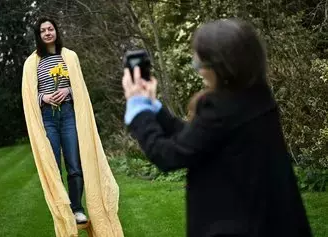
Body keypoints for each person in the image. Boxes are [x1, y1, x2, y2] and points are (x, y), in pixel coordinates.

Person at [122, 18, 312, 237]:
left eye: (201, 64)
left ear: (222, 67)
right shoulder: (257, 99)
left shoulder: (221, 109)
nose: (199, 70)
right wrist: (155, 110)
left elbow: (169, 156)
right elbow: (195, 140)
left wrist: (139, 112)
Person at [28, 17, 86, 223]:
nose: (47, 33)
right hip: (48, 117)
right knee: (53, 165)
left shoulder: (69, 57)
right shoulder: (33, 62)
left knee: (74, 163)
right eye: (42, 30)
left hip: (68, 113)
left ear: (56, 31)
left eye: (50, 28)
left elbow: (79, 85)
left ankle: (78, 209)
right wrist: (43, 97)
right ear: (39, 35)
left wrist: (66, 89)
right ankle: (63, 211)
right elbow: (29, 92)